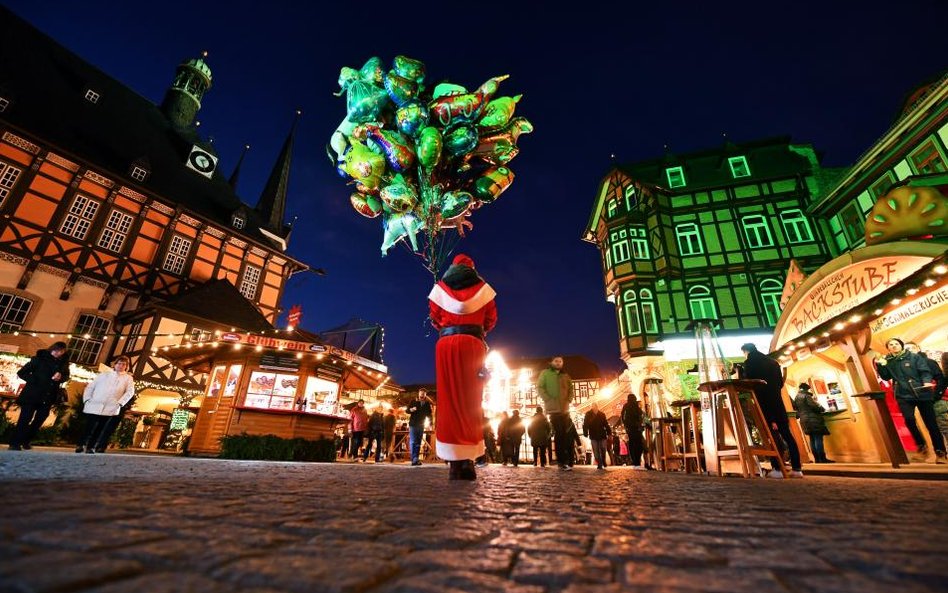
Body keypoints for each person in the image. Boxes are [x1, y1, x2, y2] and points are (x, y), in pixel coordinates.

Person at [428, 254, 497, 480]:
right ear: (472, 269)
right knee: (471, 402)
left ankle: (453, 463)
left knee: (448, 401)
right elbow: (491, 320)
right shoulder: (484, 289)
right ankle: (468, 461)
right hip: (473, 345)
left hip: (446, 346)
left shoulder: (440, 288)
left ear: (453, 268)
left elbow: (435, 318)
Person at [875, 338, 946, 463]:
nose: (894, 346)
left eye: (896, 343)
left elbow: (925, 371)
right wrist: (880, 365)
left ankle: (940, 453)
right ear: (888, 348)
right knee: (909, 419)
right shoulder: (888, 361)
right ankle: (921, 447)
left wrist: (927, 381)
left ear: (901, 346)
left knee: (931, 424)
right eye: (891, 344)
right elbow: (886, 376)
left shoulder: (914, 357)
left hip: (922, 393)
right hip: (903, 395)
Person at [741, 343, 803, 478]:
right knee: (787, 435)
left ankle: (777, 468)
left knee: (771, 436)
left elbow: (748, 382)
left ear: (745, 351)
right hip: (777, 402)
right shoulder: (773, 363)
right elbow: (780, 384)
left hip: (763, 402)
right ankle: (797, 469)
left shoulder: (750, 363)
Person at [9, 341, 70, 451]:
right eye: (56, 350)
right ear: (52, 349)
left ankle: (26, 440)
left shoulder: (63, 364)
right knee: (25, 419)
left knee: (40, 419)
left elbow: (66, 376)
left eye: (61, 351)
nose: (58, 353)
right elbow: (22, 372)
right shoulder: (39, 359)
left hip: (48, 396)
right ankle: (15, 443)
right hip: (32, 394)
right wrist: (35, 380)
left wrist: (60, 377)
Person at [76, 356, 136, 454]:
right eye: (119, 363)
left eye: (123, 364)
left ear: (126, 366)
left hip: (111, 406)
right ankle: (81, 444)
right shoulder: (104, 375)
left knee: (100, 427)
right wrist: (87, 399)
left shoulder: (128, 378)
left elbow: (130, 392)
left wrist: (120, 403)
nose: (121, 366)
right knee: (89, 426)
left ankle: (91, 447)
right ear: (115, 364)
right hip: (95, 403)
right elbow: (91, 387)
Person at [537, 356, 574, 470]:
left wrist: (569, 399)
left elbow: (571, 388)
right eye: (556, 361)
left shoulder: (565, 375)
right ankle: (562, 461)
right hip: (553, 409)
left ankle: (563, 461)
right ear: (551, 362)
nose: (558, 363)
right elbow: (540, 387)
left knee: (564, 435)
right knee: (559, 434)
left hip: (564, 409)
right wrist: (547, 399)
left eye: (560, 361)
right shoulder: (545, 373)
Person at [792, 383, 832, 463]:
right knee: (818, 438)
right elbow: (813, 405)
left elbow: (796, 409)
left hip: (804, 420)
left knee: (812, 439)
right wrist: (822, 408)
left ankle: (817, 459)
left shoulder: (796, 397)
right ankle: (822, 458)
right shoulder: (806, 396)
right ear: (807, 389)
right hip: (813, 419)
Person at [406, 390, 433, 466]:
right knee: (413, 441)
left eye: (423, 394)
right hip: (413, 424)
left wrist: (431, 424)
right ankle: (414, 458)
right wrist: (411, 410)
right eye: (421, 394)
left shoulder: (427, 403)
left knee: (418, 442)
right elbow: (407, 410)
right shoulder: (413, 401)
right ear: (418, 394)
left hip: (421, 425)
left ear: (425, 395)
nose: (422, 395)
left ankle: (416, 458)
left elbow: (429, 414)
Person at [620, 394, 646, 469]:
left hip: (630, 429)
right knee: (638, 445)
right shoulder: (635, 406)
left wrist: (625, 425)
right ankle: (637, 461)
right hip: (636, 428)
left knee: (632, 444)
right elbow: (641, 415)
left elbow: (622, 417)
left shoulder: (626, 406)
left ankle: (635, 462)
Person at [583, 402, 611, 469]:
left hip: (602, 435)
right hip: (593, 435)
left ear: (597, 407)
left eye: (595, 406)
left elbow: (606, 424)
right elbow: (585, 424)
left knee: (603, 449)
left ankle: (603, 460)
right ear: (591, 407)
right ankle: (600, 463)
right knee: (595, 451)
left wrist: (609, 433)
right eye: (593, 406)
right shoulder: (588, 414)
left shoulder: (601, 414)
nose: (594, 408)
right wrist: (585, 433)